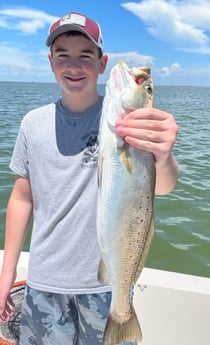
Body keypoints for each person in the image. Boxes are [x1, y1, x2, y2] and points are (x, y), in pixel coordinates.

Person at [0, 11, 179, 345]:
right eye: (63, 56)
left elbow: (163, 185)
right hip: (44, 283)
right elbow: (22, 198)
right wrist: (7, 272)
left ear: (102, 62)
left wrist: (164, 156)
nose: (74, 66)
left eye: (85, 55)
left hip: (106, 286)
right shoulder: (32, 123)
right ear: (50, 61)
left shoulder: (133, 126)